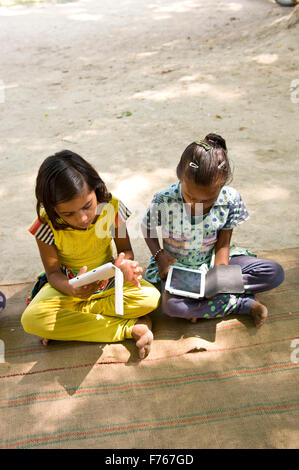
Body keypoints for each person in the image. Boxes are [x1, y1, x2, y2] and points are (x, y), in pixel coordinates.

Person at [21, 150, 160, 359]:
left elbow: (126, 250)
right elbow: (52, 273)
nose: (83, 218)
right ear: (52, 210)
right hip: (68, 288)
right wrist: (71, 288)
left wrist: (123, 265)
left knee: (151, 298)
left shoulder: (110, 208)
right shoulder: (45, 224)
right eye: (68, 214)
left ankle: (71, 321)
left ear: (96, 189)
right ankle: (129, 328)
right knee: (31, 320)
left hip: (109, 282)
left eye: (87, 206)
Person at [142, 134, 284, 327]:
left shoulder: (230, 199)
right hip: (179, 268)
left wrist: (220, 277)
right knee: (172, 307)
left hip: (213, 260)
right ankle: (241, 304)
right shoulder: (164, 199)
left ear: (222, 185)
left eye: (208, 200)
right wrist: (160, 257)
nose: (196, 203)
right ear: (180, 177)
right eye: (189, 196)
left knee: (273, 273)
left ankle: (204, 303)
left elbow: (223, 242)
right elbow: (147, 227)